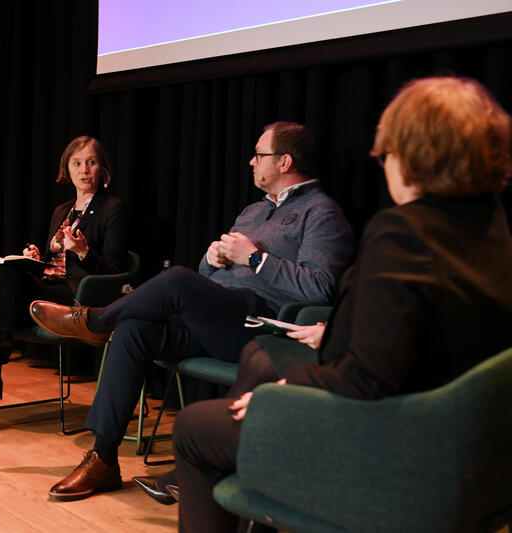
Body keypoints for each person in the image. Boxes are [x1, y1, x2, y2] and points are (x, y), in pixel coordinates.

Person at [172, 76, 512, 532]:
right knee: (255, 367)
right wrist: (339, 332)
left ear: (415, 155)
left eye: (388, 152)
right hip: (472, 459)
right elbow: (437, 334)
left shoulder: (402, 233)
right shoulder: (493, 228)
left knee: (193, 427)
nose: (385, 164)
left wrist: (283, 393)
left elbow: (366, 378)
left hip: (390, 447)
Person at [29, 121, 355, 501]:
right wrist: (213, 260)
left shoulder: (321, 212)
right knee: (135, 328)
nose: (251, 162)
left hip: (260, 328)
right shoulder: (253, 211)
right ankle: (102, 458)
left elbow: (320, 288)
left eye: (259, 155)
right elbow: (207, 276)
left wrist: (255, 259)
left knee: (177, 279)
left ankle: (95, 320)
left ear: (284, 162)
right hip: (215, 320)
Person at [0, 135, 127, 435]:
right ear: (68, 169)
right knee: (4, 274)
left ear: (103, 169)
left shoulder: (112, 208)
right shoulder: (62, 211)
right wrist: (38, 259)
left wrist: (84, 252)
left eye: (91, 162)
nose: (84, 170)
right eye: (77, 163)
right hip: (49, 287)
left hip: (78, 297)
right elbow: (55, 262)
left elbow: (116, 271)